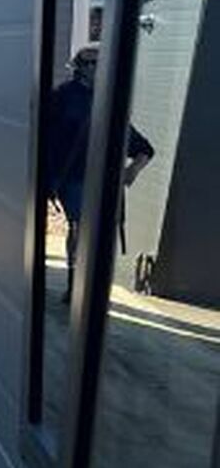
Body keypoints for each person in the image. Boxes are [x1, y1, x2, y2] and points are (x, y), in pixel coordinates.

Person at [42, 45, 154, 301]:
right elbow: (44, 138)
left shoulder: (110, 101)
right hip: (73, 178)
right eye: (90, 63)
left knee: (97, 235)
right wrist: (48, 179)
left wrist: (132, 170)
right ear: (79, 67)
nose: (95, 69)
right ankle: (75, 286)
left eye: (99, 64)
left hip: (103, 181)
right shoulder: (62, 97)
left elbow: (144, 148)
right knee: (80, 229)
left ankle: (88, 288)